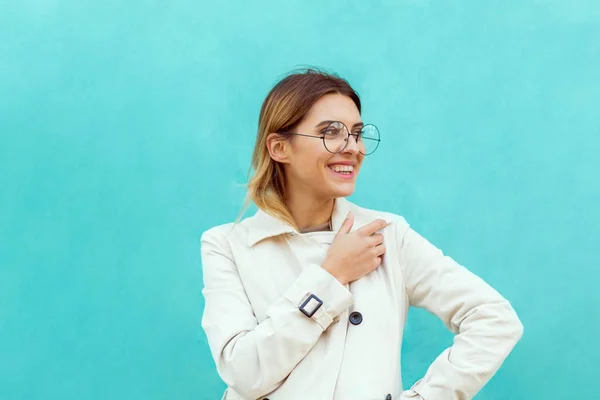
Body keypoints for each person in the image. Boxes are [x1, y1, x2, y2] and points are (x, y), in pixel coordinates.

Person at [200, 69, 523, 400]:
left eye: (356, 133)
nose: (353, 148)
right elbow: (244, 374)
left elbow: (495, 319)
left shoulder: (387, 235)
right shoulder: (228, 245)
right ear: (280, 147)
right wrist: (331, 276)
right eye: (330, 132)